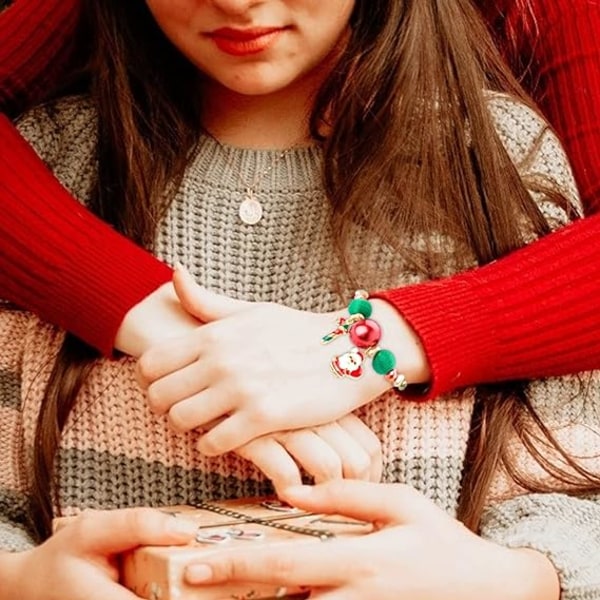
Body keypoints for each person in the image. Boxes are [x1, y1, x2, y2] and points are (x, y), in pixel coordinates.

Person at [1, 2, 599, 600]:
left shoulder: (492, 160)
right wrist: (22, 580)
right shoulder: (58, 156)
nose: (237, 2)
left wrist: (507, 580)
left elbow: (577, 500)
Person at [0, 0, 599, 400]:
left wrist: (365, 346)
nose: (236, 3)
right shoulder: (72, 135)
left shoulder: (501, 142)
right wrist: (154, 318)